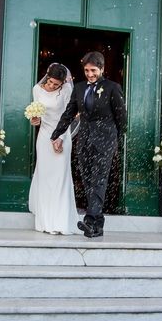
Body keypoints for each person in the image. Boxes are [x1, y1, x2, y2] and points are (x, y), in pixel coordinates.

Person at [50, 51, 127, 238]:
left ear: (102, 68)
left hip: (105, 142)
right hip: (84, 141)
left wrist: (113, 140)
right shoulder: (79, 88)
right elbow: (69, 114)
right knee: (87, 181)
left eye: (93, 70)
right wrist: (56, 134)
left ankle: (90, 221)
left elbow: (122, 119)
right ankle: (97, 226)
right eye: (86, 70)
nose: (90, 74)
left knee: (99, 180)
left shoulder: (112, 88)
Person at [27, 63, 79, 235]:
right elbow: (38, 114)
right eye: (50, 82)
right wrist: (34, 120)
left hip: (62, 136)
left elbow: (68, 115)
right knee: (45, 176)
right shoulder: (37, 89)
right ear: (46, 76)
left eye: (56, 84)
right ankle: (44, 221)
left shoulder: (65, 91)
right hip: (43, 137)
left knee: (60, 178)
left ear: (63, 83)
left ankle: (60, 221)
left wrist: (60, 138)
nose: (52, 86)